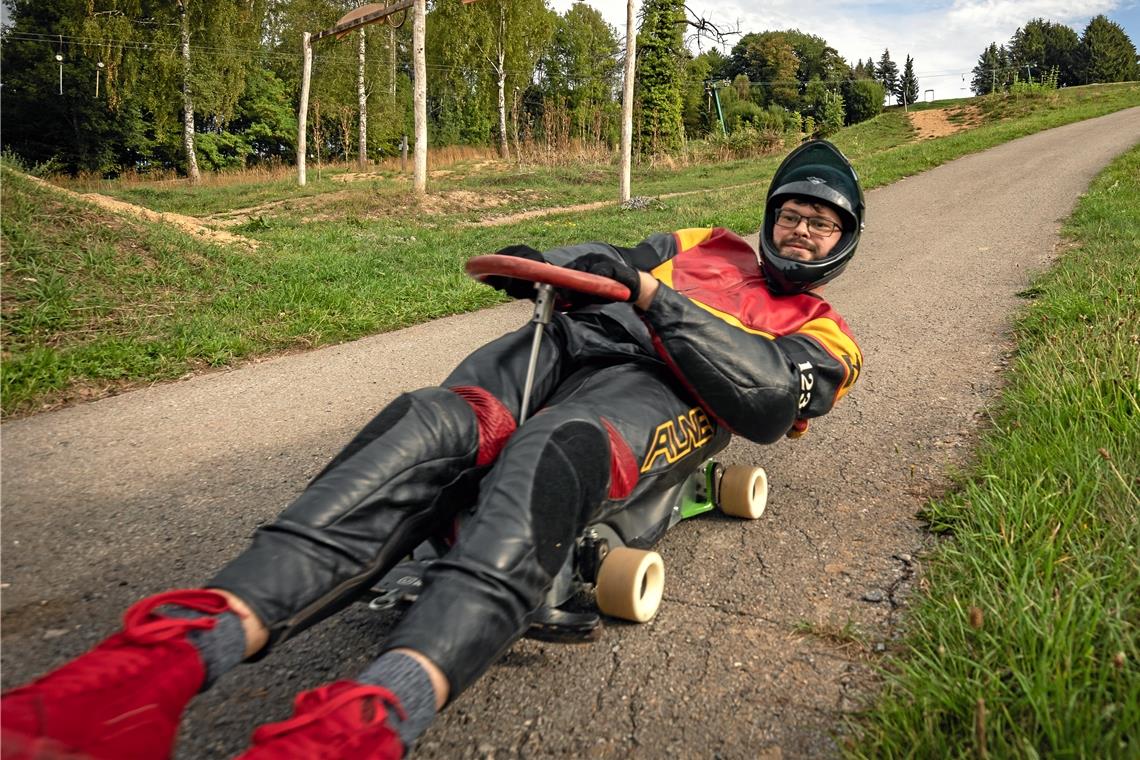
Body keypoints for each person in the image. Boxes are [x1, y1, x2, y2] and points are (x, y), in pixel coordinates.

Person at [1, 140, 865, 760]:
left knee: (552, 452)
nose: (800, 230)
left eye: (821, 224)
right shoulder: (695, 244)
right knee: (434, 422)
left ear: (843, 241)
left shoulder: (826, 333)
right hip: (564, 347)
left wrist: (650, 301)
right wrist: (549, 261)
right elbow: (605, 258)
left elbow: (760, 401)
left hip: (667, 395)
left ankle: (378, 710)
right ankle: (160, 662)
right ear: (769, 214)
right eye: (792, 213)